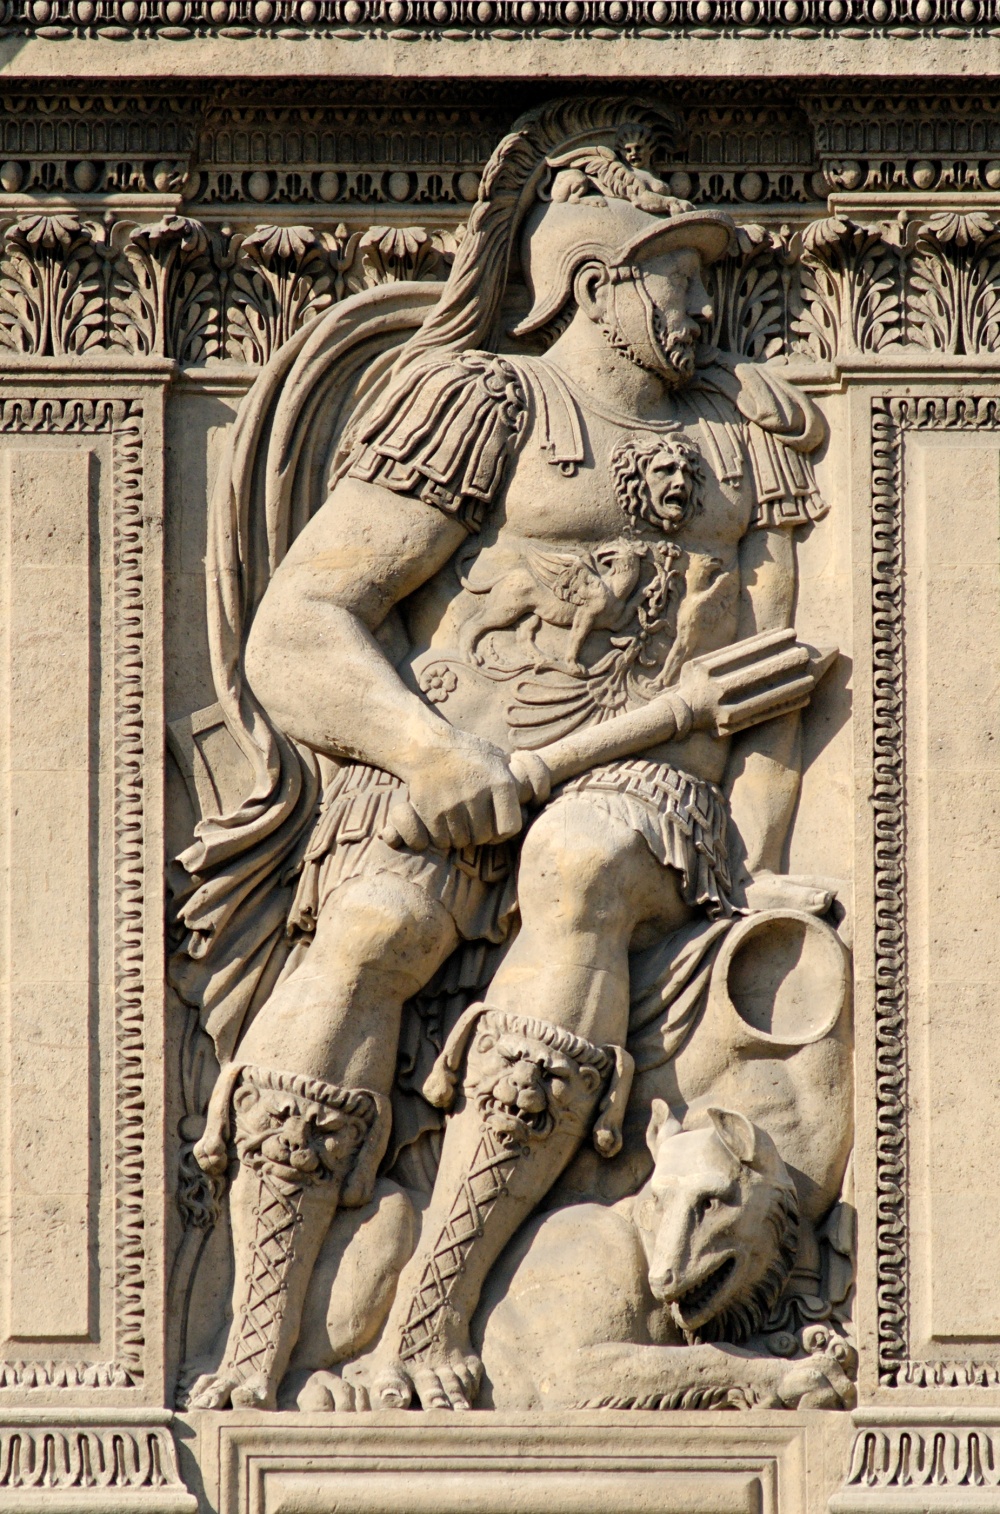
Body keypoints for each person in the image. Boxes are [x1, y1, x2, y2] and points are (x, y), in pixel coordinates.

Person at [183, 117, 830, 1413]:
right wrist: (426, 748)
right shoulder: (489, 404)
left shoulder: (743, 446)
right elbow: (301, 627)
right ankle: (254, 1345)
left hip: (642, 793)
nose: (703, 304)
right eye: (677, 276)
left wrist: (763, 870)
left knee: (579, 861)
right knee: (371, 930)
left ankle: (433, 1315)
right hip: (429, 764)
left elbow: (773, 690)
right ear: (597, 286)